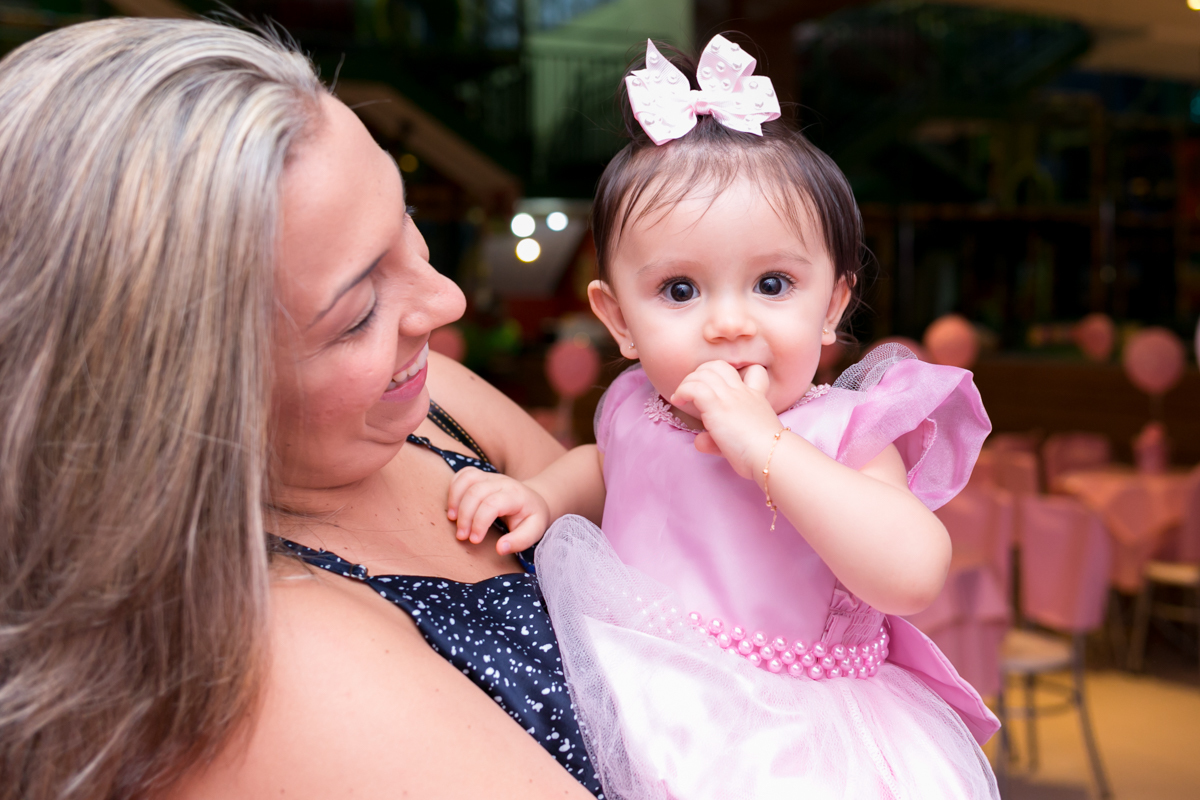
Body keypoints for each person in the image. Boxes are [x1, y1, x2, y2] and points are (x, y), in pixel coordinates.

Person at [0, 18, 601, 800]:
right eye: (357, 313)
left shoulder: (432, 408)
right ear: (177, 393)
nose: (445, 299)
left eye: (406, 221)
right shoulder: (270, 658)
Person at [448, 36, 1001, 798]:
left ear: (832, 305)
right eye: (680, 291)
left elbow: (911, 573)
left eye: (773, 283)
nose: (730, 322)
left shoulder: (844, 432)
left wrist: (768, 445)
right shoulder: (631, 402)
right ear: (619, 321)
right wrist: (543, 494)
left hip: (793, 739)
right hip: (643, 695)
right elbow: (610, 470)